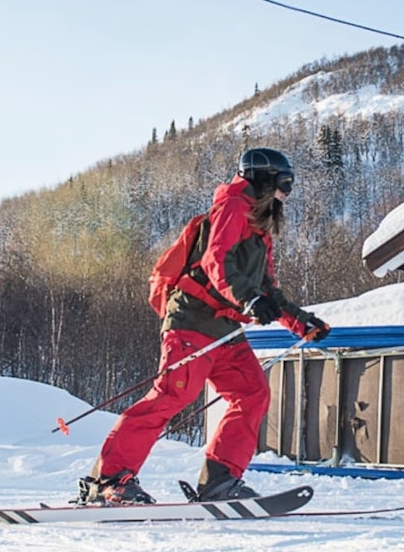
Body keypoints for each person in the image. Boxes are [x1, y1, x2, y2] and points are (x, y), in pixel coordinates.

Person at [80, 148, 330, 505]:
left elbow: (267, 289)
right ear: (262, 179)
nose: (285, 195)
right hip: (193, 320)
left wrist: (301, 322)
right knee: (172, 395)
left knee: (252, 393)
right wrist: (248, 299)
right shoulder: (232, 205)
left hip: (225, 329)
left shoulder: (260, 230)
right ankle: (108, 481)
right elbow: (217, 260)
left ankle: (220, 481)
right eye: (283, 184)